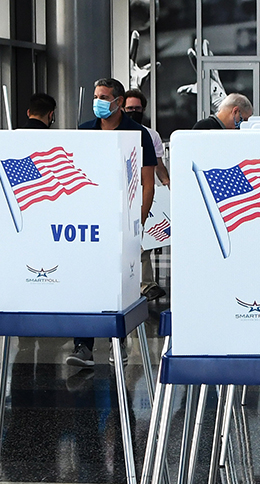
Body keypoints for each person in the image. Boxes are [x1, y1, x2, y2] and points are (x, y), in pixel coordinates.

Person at [69, 78, 157, 368]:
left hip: (121, 221)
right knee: (84, 282)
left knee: (118, 285)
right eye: (96, 96)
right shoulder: (84, 132)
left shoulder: (138, 134)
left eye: (104, 97)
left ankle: (117, 343)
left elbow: (147, 184)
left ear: (119, 101)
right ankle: (83, 346)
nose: (99, 102)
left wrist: (138, 224)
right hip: (89, 221)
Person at [122, 88, 169, 302]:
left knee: (141, 238)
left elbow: (157, 163)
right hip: (119, 191)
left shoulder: (150, 135)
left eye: (137, 109)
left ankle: (144, 283)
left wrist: (167, 182)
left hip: (141, 190)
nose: (133, 112)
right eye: (130, 108)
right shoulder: (114, 131)